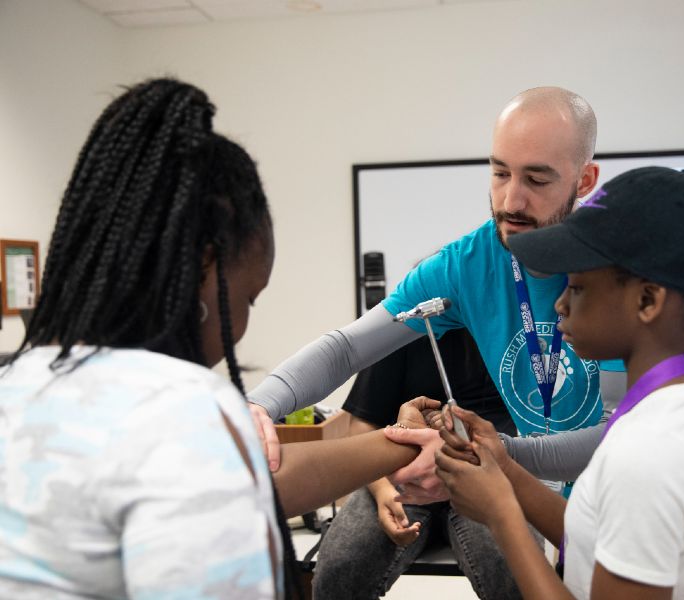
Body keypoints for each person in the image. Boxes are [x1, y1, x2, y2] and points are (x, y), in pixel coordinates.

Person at [0, 78, 433, 599]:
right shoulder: (182, 409)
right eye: (249, 299)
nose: (244, 321)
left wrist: (398, 442)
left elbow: (260, 476)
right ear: (204, 268)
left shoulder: (19, 380)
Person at [248, 87, 626, 500]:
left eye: (536, 179)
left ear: (584, 180)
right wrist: (260, 405)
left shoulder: (618, 269)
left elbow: (617, 434)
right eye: (500, 173)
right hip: (554, 504)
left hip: (629, 501)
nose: (511, 200)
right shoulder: (467, 264)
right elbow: (346, 349)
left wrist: (489, 453)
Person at [434, 166, 684, 599]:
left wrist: (502, 515)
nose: (561, 304)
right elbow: (605, 540)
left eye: (579, 288)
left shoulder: (650, 456)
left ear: (647, 300)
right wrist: (505, 469)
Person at [313, 328, 525, 600]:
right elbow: (362, 424)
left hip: (486, 476)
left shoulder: (519, 331)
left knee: (514, 570)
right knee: (339, 568)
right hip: (402, 479)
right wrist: (382, 491)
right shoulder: (404, 328)